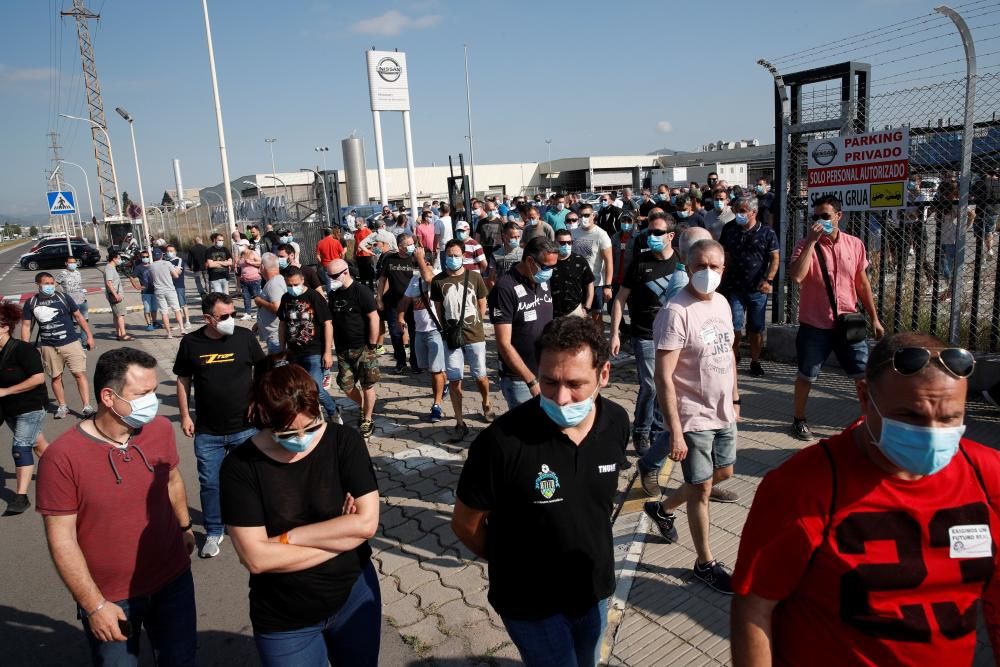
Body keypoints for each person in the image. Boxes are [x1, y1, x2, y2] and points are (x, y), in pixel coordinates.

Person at [730, 333, 1000, 666]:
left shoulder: (989, 475)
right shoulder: (803, 486)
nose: (932, 433)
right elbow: (754, 608)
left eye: (949, 418)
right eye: (911, 416)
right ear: (864, 397)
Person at [452, 317, 629, 667]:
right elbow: (465, 524)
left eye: (576, 384)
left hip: (593, 590)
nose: (562, 398)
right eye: (550, 382)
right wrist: (514, 561)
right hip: (531, 606)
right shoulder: (501, 443)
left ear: (604, 375)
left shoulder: (617, 423)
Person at [36, 347, 197, 666]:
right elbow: (62, 539)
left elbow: (173, 481)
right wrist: (93, 604)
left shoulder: (160, 430)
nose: (152, 400)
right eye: (143, 393)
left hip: (173, 582)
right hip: (111, 597)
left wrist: (184, 527)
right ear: (108, 397)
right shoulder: (62, 457)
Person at [221, 356, 380, 666]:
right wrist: (342, 532)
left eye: (311, 427)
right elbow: (256, 559)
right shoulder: (240, 467)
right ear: (266, 419)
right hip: (285, 619)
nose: (303, 440)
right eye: (289, 434)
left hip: (353, 593)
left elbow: (367, 525)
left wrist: (288, 538)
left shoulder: (342, 441)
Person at [642, 239, 739, 594]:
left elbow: (728, 354)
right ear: (687, 265)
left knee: (723, 473)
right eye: (700, 266)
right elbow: (663, 376)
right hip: (693, 415)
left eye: (714, 266)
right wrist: (676, 430)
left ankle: (662, 509)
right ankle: (704, 563)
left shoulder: (724, 303)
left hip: (723, 409)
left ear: (723, 270)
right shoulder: (676, 311)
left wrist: (736, 398)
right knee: (701, 489)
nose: (707, 273)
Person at [174, 292, 264, 559]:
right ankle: (214, 530)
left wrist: (258, 401)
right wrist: (184, 415)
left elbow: (263, 368)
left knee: (251, 479)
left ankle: (254, 523)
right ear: (208, 318)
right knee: (210, 484)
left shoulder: (245, 337)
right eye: (224, 316)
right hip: (208, 432)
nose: (231, 320)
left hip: (245, 427)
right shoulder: (191, 343)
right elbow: (183, 380)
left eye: (233, 315)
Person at [789, 195, 884, 441]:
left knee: (862, 376)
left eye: (826, 216)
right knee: (806, 375)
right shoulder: (804, 244)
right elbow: (797, 277)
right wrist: (811, 241)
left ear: (839, 216)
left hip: (848, 321)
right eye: (816, 217)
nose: (820, 221)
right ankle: (799, 419)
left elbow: (862, 283)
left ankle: (868, 421)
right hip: (815, 324)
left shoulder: (854, 244)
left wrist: (874, 318)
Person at [609, 212, 678, 455]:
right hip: (644, 334)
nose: (652, 237)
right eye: (649, 232)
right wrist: (615, 333)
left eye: (658, 233)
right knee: (650, 385)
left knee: (667, 385)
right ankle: (641, 431)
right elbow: (620, 299)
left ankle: (658, 431)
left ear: (670, 235)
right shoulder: (639, 263)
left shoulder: (681, 263)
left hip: (673, 338)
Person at [432, 240, 493, 440]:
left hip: (474, 335)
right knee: (455, 378)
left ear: (463, 256)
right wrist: (445, 329)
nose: (452, 258)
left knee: (480, 375)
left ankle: (486, 402)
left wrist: (478, 322)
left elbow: (482, 302)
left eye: (456, 255)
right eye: (449, 254)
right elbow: (439, 309)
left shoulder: (474, 277)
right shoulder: (438, 281)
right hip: (451, 337)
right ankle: (459, 421)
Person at [488, 237, 558, 408]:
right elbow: (504, 343)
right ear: (529, 260)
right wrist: (531, 381)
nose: (549, 272)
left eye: (553, 267)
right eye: (546, 267)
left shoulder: (542, 281)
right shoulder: (505, 288)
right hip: (521, 380)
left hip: (547, 371)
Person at [22, 272, 96, 419]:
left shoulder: (63, 297)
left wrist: (89, 336)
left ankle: (87, 406)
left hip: (71, 342)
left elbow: (79, 317)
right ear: (38, 284)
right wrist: (25, 348)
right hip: (48, 346)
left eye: (52, 283)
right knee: (55, 377)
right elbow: (26, 325)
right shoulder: (31, 302)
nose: (50, 286)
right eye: (46, 283)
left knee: (79, 374)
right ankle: (62, 406)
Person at [719, 197, 779, 377]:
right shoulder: (729, 229)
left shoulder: (767, 233)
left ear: (754, 212)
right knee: (734, 326)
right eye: (737, 210)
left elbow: (775, 258)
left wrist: (768, 280)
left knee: (756, 328)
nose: (739, 214)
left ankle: (755, 361)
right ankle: (733, 356)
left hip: (757, 289)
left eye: (743, 211)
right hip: (734, 287)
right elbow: (725, 255)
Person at [0, 301, 48, 514]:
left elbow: (38, 378)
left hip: (31, 406)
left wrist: (7, 391)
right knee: (37, 443)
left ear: (4, 327)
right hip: (9, 410)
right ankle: (68, 467)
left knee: (20, 446)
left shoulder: (23, 349)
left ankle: (21, 497)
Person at [325, 258, 381, 440]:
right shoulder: (333, 294)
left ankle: (367, 418)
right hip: (342, 348)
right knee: (346, 385)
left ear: (345, 272)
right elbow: (330, 322)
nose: (331, 279)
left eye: (334, 275)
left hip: (363, 346)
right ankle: (364, 405)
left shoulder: (361, 291)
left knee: (367, 384)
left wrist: (372, 344)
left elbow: (374, 317)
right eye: (329, 276)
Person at [278, 267, 340, 422]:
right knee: (298, 389)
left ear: (303, 280)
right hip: (293, 352)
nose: (293, 288)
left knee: (315, 388)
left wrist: (327, 352)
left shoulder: (314, 297)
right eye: (289, 285)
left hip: (314, 351)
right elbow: (283, 324)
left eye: (295, 284)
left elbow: (327, 323)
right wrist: (281, 349)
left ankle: (332, 411)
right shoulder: (286, 298)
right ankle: (309, 417)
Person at [394, 247, 446, 421]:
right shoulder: (415, 279)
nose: (414, 266)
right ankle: (443, 385)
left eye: (416, 263)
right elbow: (405, 299)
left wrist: (421, 258)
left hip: (436, 331)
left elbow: (429, 278)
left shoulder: (438, 274)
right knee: (427, 368)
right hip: (419, 332)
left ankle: (436, 405)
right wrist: (400, 316)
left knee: (435, 371)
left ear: (427, 262)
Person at [377, 233, 420, 374]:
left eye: (411, 243)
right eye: (408, 244)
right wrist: (379, 299)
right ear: (400, 246)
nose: (411, 246)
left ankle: (415, 362)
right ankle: (400, 361)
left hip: (413, 304)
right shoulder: (390, 260)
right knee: (395, 334)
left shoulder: (416, 259)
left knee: (414, 333)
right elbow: (382, 280)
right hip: (393, 303)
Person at [572, 203, 614, 326]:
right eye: (581, 215)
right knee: (578, 318)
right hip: (577, 283)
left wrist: (607, 286)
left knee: (596, 318)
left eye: (586, 215)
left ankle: (597, 344)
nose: (583, 218)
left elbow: (609, 262)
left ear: (593, 216)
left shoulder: (601, 234)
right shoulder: (573, 233)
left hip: (596, 284)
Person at [550, 227, 595, 317]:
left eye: (569, 242)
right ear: (555, 243)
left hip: (575, 310)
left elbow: (589, 284)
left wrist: (587, 307)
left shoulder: (579, 260)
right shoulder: (548, 261)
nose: (566, 245)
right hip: (551, 312)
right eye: (562, 243)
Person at [254, 253, 286, 354]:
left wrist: (259, 301)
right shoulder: (276, 281)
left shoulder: (274, 284)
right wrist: (258, 324)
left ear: (262, 267)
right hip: (274, 333)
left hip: (275, 335)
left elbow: (277, 307)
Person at [150, 249, 185, 338]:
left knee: (164, 313)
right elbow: (176, 276)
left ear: (154, 256)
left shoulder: (151, 266)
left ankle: (169, 334)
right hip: (170, 289)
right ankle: (182, 329)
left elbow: (151, 279)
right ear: (162, 255)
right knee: (177, 309)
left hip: (158, 291)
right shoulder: (167, 263)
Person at [104, 249, 133, 341]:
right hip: (115, 295)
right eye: (119, 258)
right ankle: (123, 334)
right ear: (113, 259)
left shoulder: (112, 268)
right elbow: (109, 283)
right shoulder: (109, 268)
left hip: (115, 295)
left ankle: (119, 333)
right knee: (120, 315)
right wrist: (116, 295)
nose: (120, 260)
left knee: (116, 315)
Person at [486, 221, 523, 289]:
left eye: (518, 237)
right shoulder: (495, 255)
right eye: (513, 237)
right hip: (503, 290)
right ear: (504, 237)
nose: (517, 240)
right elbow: (491, 278)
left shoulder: (524, 254)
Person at [56, 256, 88, 322]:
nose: (73, 264)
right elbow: (54, 284)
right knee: (72, 323)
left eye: (74, 262)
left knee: (84, 322)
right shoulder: (62, 273)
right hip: (71, 303)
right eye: (70, 262)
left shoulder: (78, 272)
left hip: (82, 301)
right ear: (66, 263)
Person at [133, 250, 159, 331]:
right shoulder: (138, 267)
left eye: (147, 256)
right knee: (147, 309)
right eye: (143, 257)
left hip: (154, 291)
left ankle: (155, 323)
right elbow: (131, 277)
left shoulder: (152, 266)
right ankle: (149, 324)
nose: (145, 258)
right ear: (141, 258)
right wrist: (136, 286)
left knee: (154, 309)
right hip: (145, 292)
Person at [237, 247, 263, 320]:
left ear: (246, 245)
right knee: (246, 298)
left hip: (254, 279)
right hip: (244, 280)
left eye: (241, 245)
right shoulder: (242, 254)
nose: (240, 247)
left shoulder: (253, 253)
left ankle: (259, 313)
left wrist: (251, 262)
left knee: (257, 297)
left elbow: (261, 263)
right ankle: (247, 313)